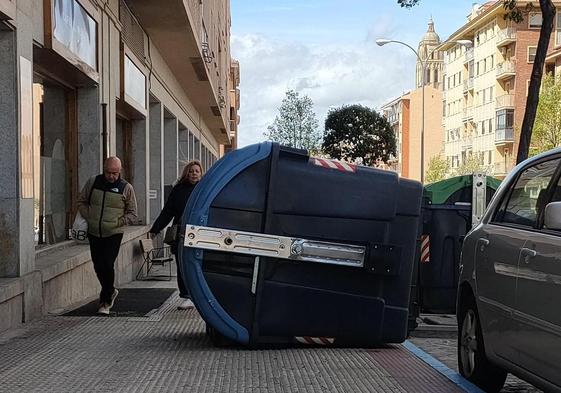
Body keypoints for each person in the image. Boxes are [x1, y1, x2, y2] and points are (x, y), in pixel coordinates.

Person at [77, 156, 138, 315]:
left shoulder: (126, 188)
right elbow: (81, 201)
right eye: (108, 172)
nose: (111, 176)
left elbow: (133, 214)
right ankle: (111, 290)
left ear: (120, 172)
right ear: (104, 169)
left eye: (115, 173)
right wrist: (89, 215)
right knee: (98, 265)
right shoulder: (93, 182)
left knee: (107, 263)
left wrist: (118, 222)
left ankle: (105, 301)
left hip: (113, 233)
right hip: (94, 232)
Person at [149, 160, 203, 310]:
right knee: (182, 265)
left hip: (200, 234)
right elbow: (168, 211)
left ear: (201, 174)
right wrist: (155, 229)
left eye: (197, 171)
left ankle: (198, 295)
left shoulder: (204, 190)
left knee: (197, 264)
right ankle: (186, 296)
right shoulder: (178, 190)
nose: (194, 173)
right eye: (191, 171)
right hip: (181, 233)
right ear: (186, 173)